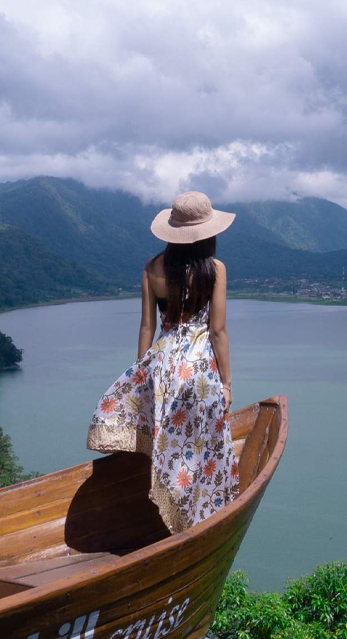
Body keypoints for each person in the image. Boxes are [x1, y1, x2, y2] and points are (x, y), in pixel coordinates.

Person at [86, 190, 239, 533]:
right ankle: (200, 514)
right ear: (208, 233)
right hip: (199, 369)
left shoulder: (152, 268)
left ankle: (169, 511)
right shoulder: (215, 269)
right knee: (201, 446)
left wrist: (141, 374)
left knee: (169, 443)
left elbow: (147, 326)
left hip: (163, 365)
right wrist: (227, 384)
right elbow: (218, 332)